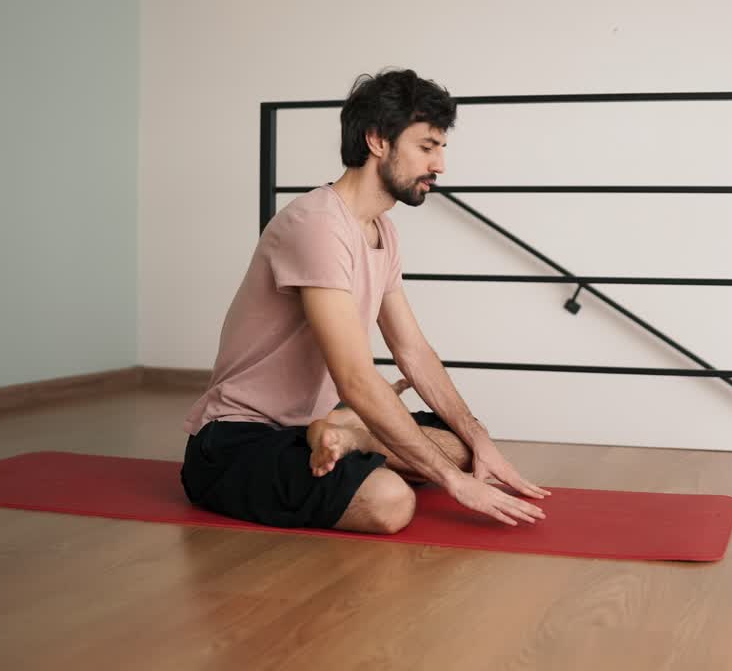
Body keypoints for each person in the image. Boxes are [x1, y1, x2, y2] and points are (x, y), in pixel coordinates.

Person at [180, 69, 549, 534]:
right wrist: (456, 484)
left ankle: (345, 434)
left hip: (314, 424)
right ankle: (346, 431)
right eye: (426, 147)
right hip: (240, 440)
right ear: (378, 141)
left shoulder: (381, 229)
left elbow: (412, 350)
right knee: (389, 502)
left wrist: (480, 440)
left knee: (462, 447)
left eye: (441, 148)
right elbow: (354, 376)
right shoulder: (316, 224)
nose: (440, 166)